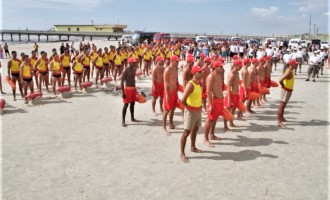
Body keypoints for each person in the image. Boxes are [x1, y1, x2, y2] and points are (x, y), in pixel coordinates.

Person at [180, 65, 204, 163]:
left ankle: (193, 147)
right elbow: (182, 100)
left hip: (198, 110)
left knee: (196, 129)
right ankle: (182, 153)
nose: (201, 73)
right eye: (200, 72)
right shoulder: (190, 85)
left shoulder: (199, 83)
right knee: (186, 132)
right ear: (194, 73)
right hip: (191, 111)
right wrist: (189, 108)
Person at [203, 61, 224, 147]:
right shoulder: (211, 76)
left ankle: (212, 135)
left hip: (219, 100)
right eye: (220, 67)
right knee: (210, 119)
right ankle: (205, 139)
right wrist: (211, 104)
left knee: (215, 119)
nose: (222, 68)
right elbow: (208, 91)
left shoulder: (219, 75)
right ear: (216, 67)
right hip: (214, 100)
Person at [278, 59, 298, 128]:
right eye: (295, 64)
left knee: (283, 105)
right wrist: (283, 85)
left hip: (288, 90)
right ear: (291, 64)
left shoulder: (290, 71)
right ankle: (279, 122)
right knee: (282, 106)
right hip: (286, 91)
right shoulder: (288, 72)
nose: (297, 65)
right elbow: (280, 80)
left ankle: (282, 118)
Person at [163, 55, 180, 134]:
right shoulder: (167, 70)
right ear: (172, 61)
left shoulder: (175, 68)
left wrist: (178, 86)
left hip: (174, 92)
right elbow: (166, 83)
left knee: (173, 109)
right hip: (169, 92)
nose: (178, 62)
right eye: (176, 61)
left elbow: (176, 79)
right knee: (166, 110)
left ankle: (171, 124)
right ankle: (164, 127)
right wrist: (167, 95)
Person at [121, 57, 140, 127]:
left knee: (132, 104)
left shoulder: (134, 69)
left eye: (135, 62)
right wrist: (123, 92)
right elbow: (122, 82)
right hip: (127, 89)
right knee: (126, 105)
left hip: (133, 88)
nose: (135, 63)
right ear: (129, 63)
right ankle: (123, 121)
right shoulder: (125, 70)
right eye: (133, 62)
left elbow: (133, 80)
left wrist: (136, 89)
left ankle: (132, 117)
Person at [224, 60, 243, 129]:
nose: (241, 67)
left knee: (233, 109)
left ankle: (231, 122)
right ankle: (225, 125)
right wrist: (229, 98)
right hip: (231, 94)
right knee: (228, 110)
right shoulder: (232, 74)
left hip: (236, 94)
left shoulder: (237, 73)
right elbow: (228, 87)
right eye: (240, 66)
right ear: (235, 65)